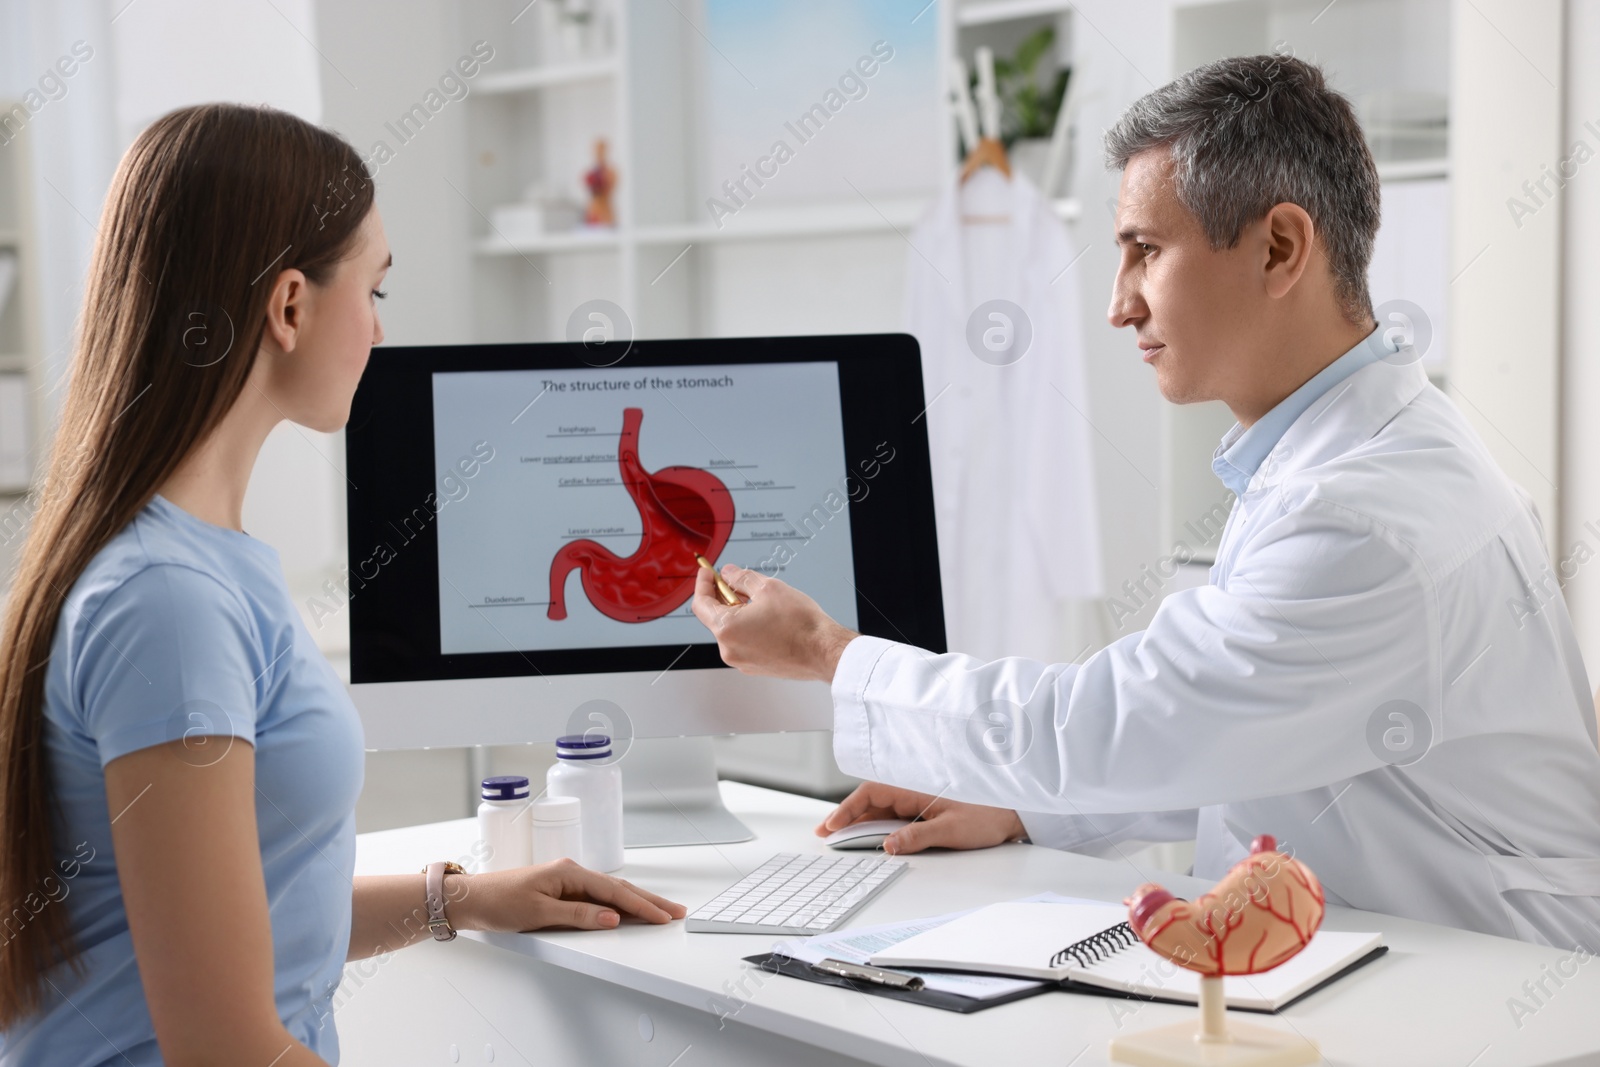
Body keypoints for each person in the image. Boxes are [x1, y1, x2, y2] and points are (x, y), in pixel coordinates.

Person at [692, 55, 1600, 949]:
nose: (1119, 306)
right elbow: (1235, 730)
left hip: (1489, 989)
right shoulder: (1353, 450)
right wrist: (1024, 805)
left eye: (1145, 252)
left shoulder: (1362, 516)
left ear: (1280, 248)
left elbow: (1106, 720)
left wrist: (824, 649)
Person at [0, 104, 685, 1067]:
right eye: (376, 289)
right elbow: (226, 1048)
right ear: (289, 306)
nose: (377, 328)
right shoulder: (170, 603)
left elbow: (251, 921)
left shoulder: (199, 562)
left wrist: (460, 896)